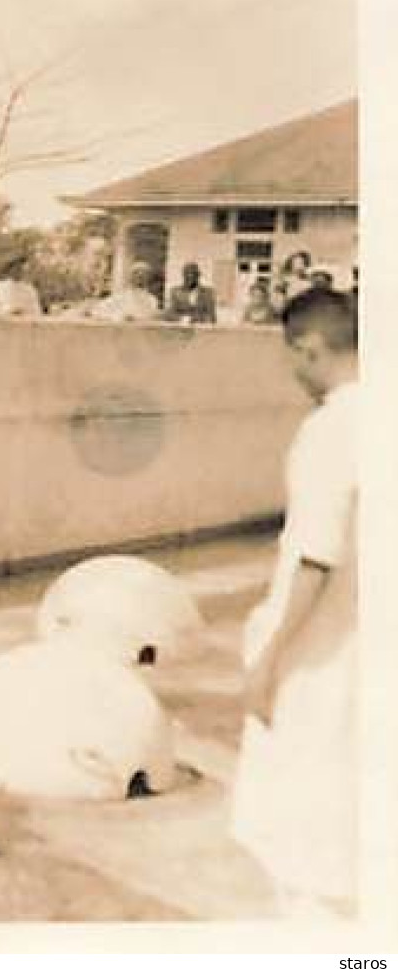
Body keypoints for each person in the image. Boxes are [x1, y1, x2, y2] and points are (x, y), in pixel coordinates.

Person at [230, 288, 357, 918]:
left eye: (293, 359)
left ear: (309, 349)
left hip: (323, 666)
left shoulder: (332, 430)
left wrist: (268, 663)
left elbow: (317, 557)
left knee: (308, 861)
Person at [90, 262, 160, 323]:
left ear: (148, 278)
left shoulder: (152, 300)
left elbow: (152, 318)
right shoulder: (120, 297)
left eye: (143, 275)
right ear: (131, 277)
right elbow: (97, 311)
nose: (140, 278)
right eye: (136, 274)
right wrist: (121, 317)